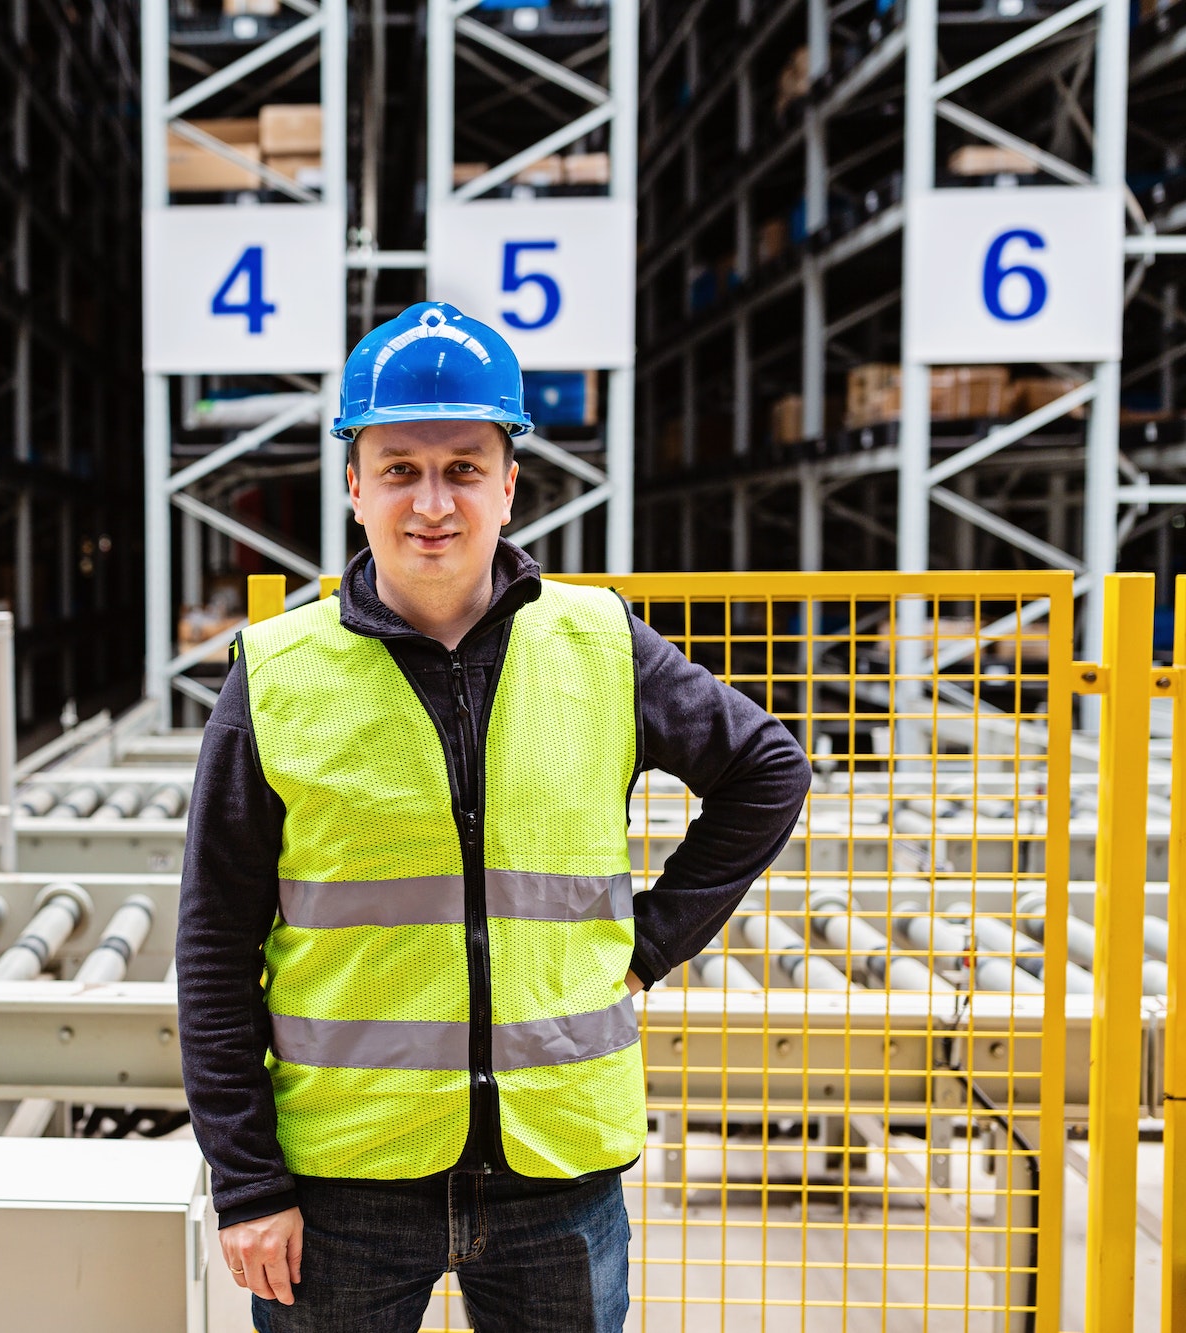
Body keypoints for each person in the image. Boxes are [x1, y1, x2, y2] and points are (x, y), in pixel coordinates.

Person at [176, 302, 813, 1332]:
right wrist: (246, 1182)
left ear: (508, 485)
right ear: (351, 485)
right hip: (343, 1180)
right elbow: (211, 943)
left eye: (463, 467)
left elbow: (766, 770)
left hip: (555, 1176)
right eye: (398, 468)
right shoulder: (279, 676)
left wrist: (648, 945)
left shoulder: (598, 644)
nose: (432, 501)